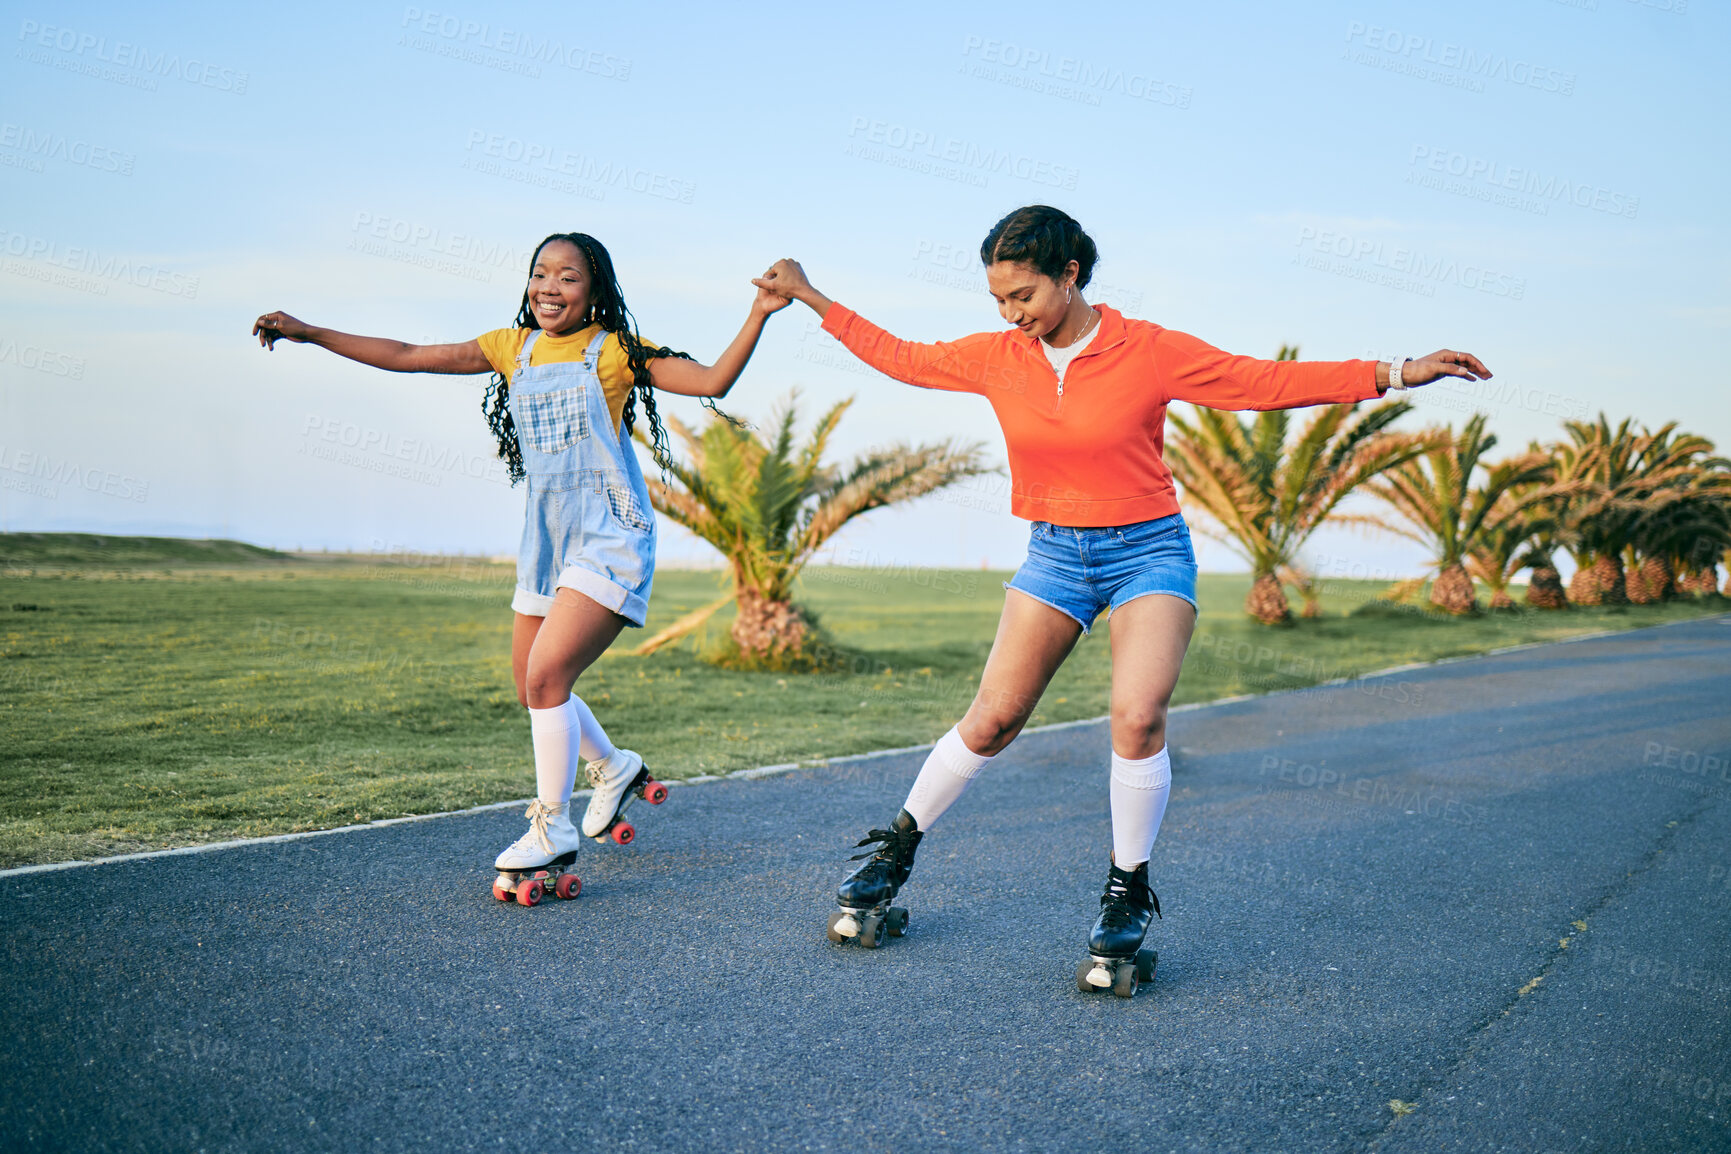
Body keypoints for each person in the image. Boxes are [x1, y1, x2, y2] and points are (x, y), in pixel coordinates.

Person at [754, 205, 1490, 984]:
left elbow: (1259, 382)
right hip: (1054, 556)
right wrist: (810, 295)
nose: (1012, 314)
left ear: (1071, 274)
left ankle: (1126, 890)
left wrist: (1396, 370)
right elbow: (901, 357)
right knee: (994, 717)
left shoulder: (1148, 350)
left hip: (1147, 552)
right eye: (999, 300)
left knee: (1137, 717)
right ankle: (894, 851)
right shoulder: (997, 355)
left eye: (1025, 295)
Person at [255, 232, 788, 890]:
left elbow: (712, 380)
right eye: (540, 273)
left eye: (567, 277)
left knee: (545, 679)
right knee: (532, 687)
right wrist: (310, 332)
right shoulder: (515, 348)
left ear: (593, 291)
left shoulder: (616, 352)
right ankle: (615, 767)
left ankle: (551, 823)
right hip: (546, 539)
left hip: (609, 534)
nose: (549, 287)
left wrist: (759, 313)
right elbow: (409, 355)